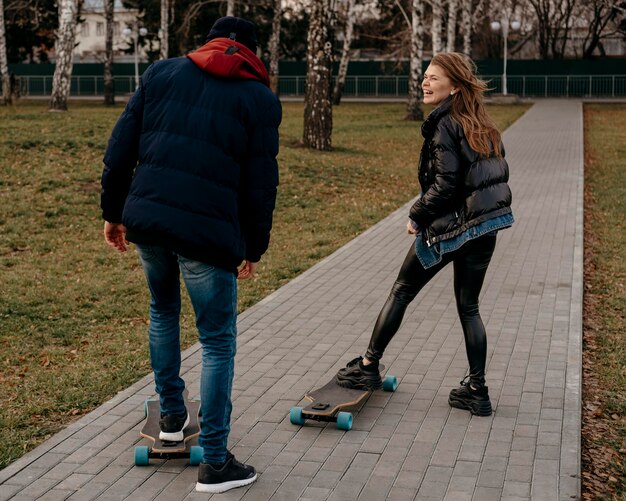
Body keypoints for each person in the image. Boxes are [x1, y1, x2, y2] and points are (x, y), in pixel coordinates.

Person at [100, 16, 281, 494]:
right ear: (251, 52)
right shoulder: (259, 99)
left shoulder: (161, 73)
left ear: (209, 42)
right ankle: (216, 463)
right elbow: (261, 184)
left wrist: (113, 212)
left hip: (150, 221)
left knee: (162, 312)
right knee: (217, 341)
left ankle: (173, 421)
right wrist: (253, 245)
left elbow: (120, 147)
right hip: (208, 234)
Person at [335, 52, 514, 417]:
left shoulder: (445, 124)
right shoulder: (484, 124)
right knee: (470, 307)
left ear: (455, 86)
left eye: (433, 78)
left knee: (402, 290)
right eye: (425, 76)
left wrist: (417, 216)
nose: (425, 83)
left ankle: (368, 367)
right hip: (486, 226)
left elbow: (446, 184)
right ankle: (476, 389)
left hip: (451, 228)